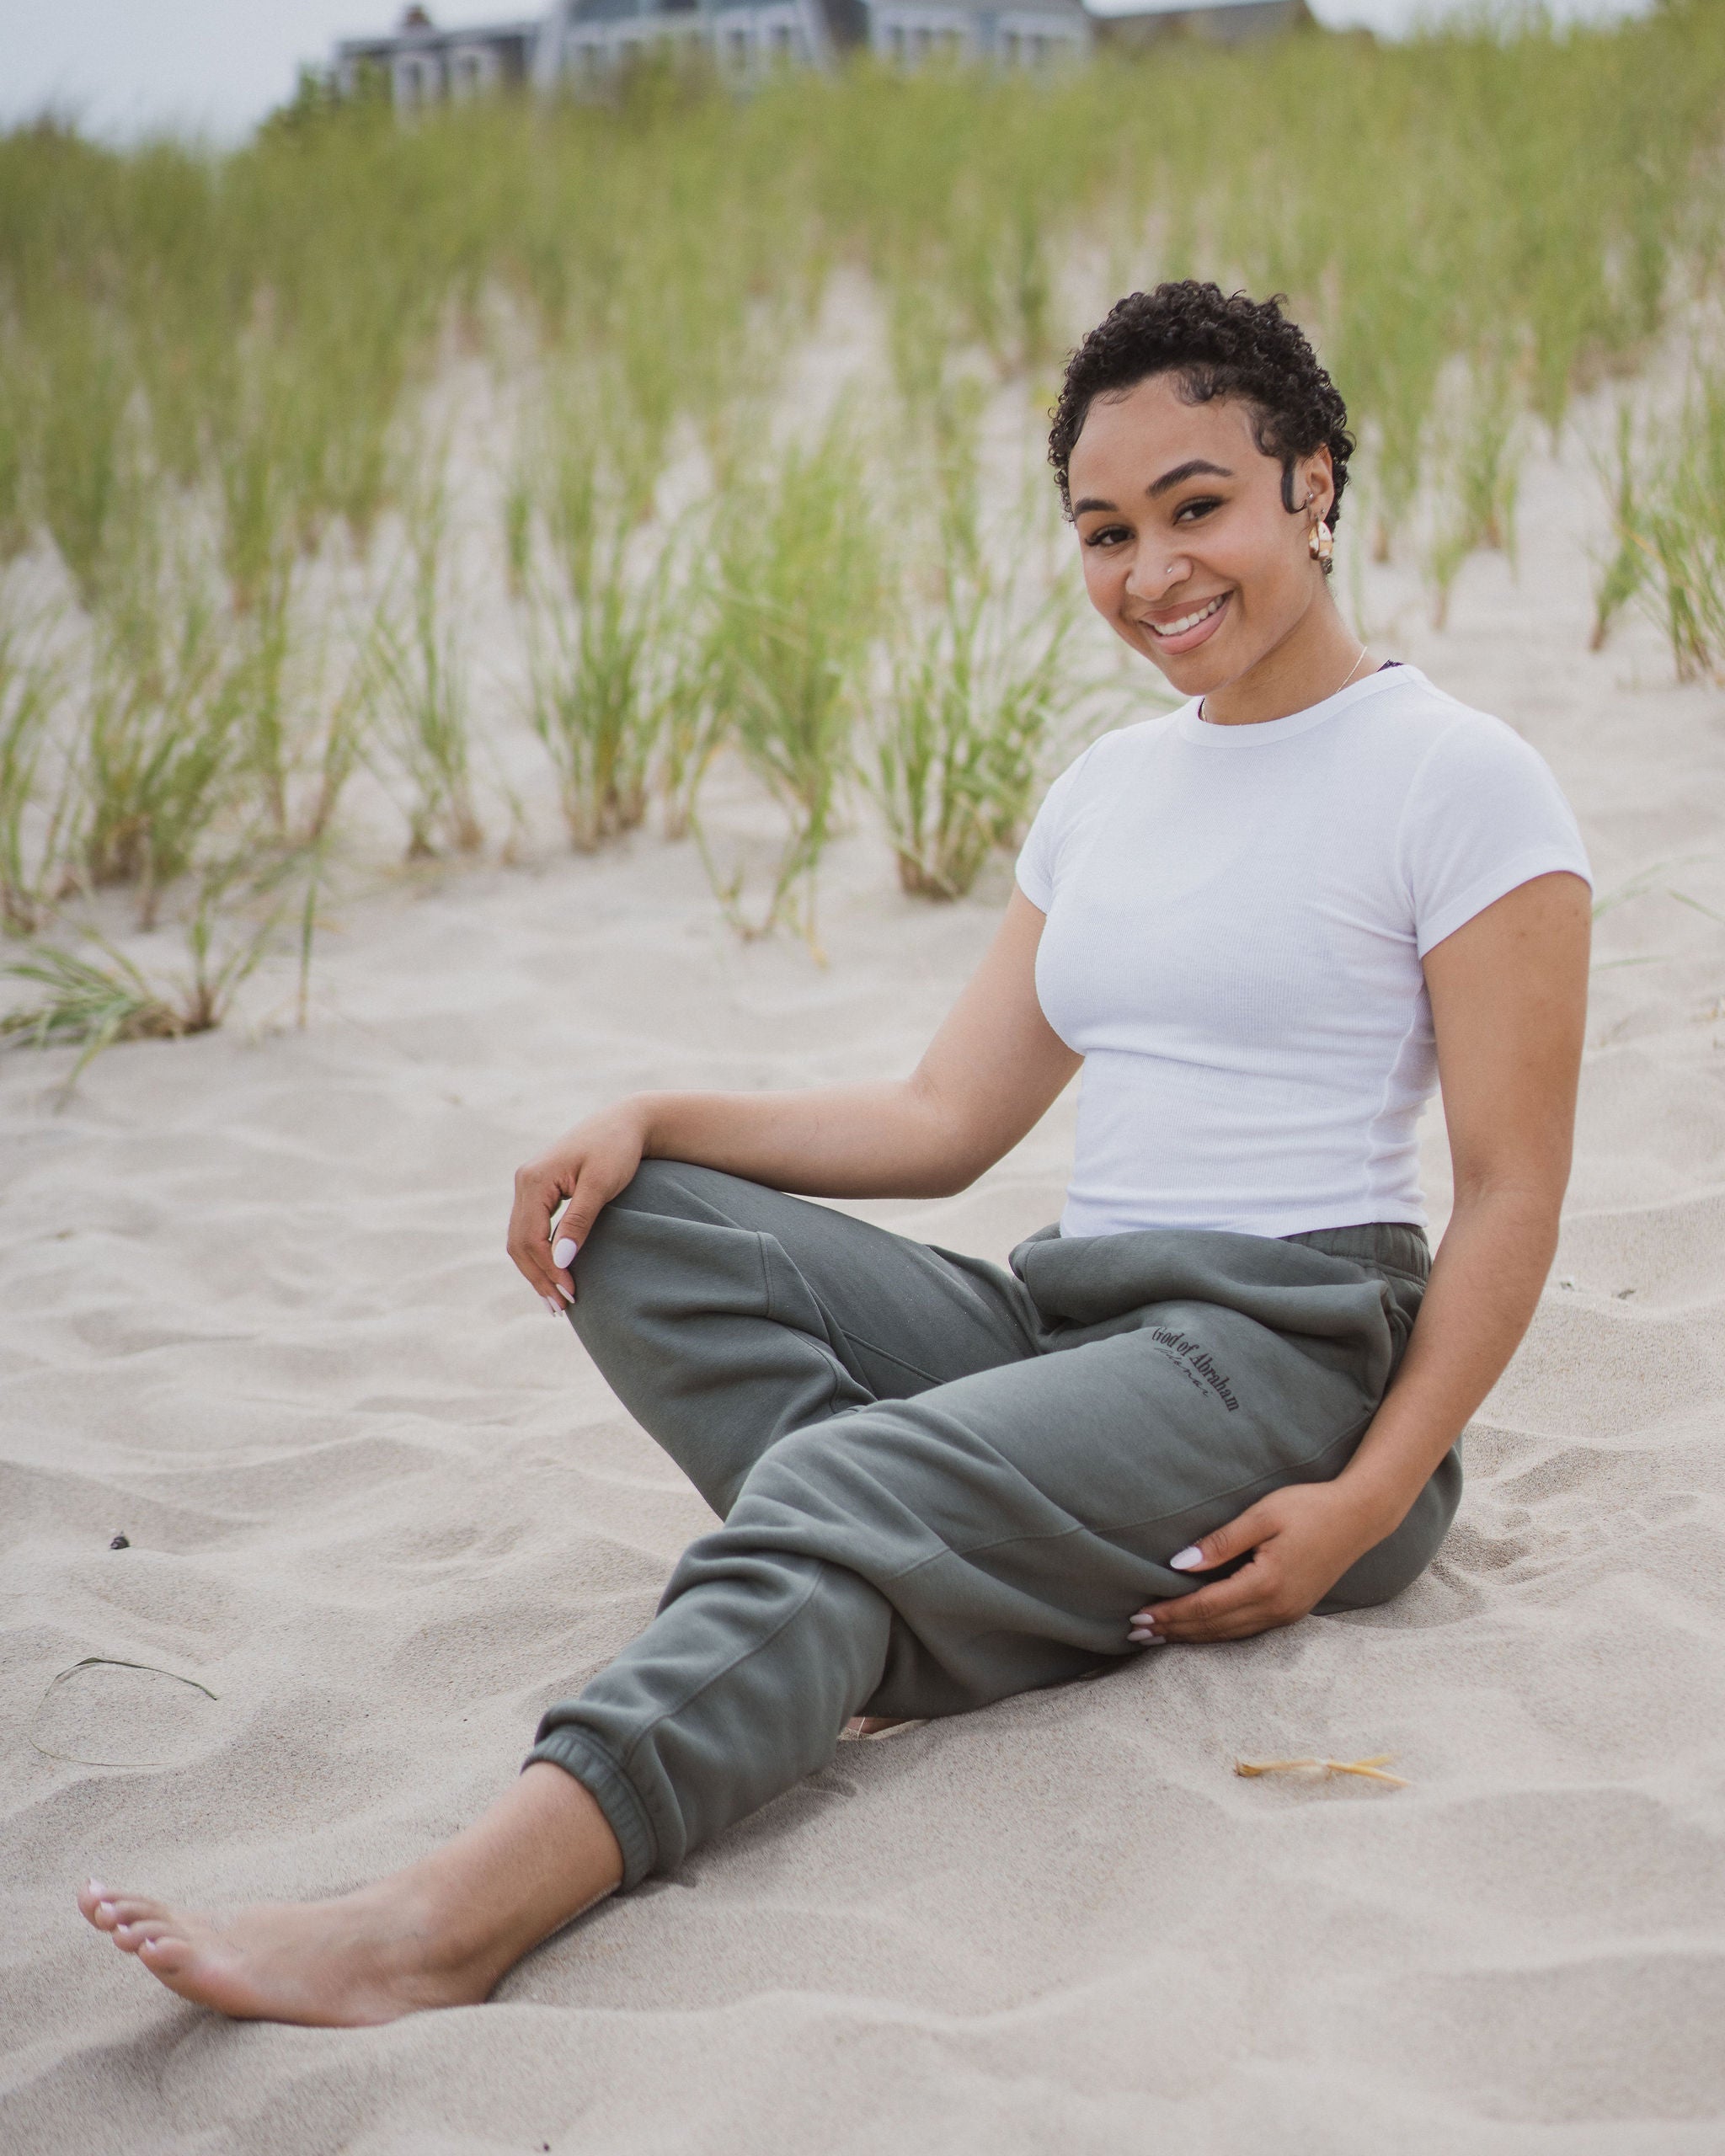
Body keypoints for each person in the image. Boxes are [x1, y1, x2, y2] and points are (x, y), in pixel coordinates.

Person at [77, 281, 1592, 2026]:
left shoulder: (1458, 779)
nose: (1153, 571)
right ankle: (883, 1601)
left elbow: (1511, 1193)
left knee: (833, 1487)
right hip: (1074, 1330)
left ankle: (441, 1919)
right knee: (639, 1230)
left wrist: (1371, 1497)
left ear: (1312, 481)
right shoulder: (1109, 786)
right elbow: (943, 1122)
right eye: (1105, 532)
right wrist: (653, 1113)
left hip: (1290, 1364)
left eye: (1199, 506)